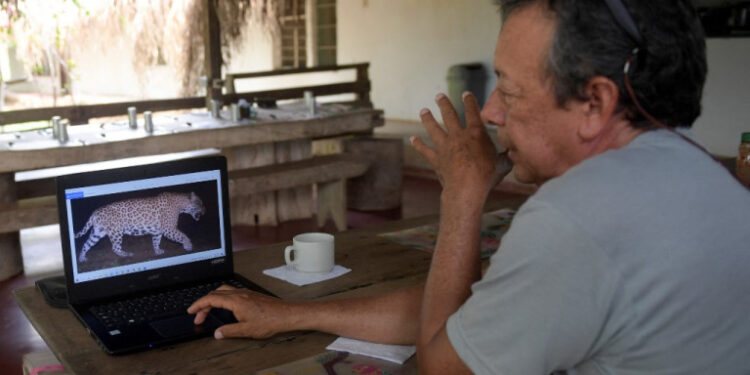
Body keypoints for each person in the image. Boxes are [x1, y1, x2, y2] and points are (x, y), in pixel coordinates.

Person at [189, 0, 750, 373]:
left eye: (510, 89)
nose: (493, 113)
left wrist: (461, 194)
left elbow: (443, 366)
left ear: (596, 103)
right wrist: (287, 314)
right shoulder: (710, 182)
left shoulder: (575, 217)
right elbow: (470, 308)